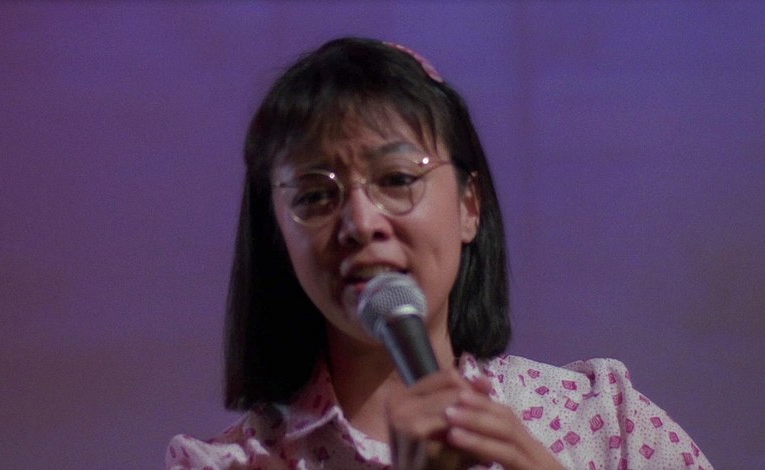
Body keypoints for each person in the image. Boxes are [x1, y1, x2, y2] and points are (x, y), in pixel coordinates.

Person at [166, 37, 712, 469]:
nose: (361, 223)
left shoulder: (604, 424)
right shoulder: (230, 464)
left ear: (469, 207)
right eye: (314, 196)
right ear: (278, 239)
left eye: (397, 179)